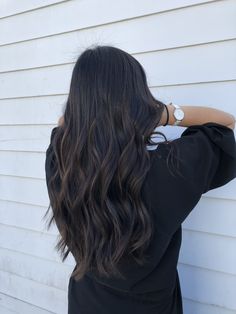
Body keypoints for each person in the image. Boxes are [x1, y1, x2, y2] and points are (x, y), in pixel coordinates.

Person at [44, 45, 236, 314]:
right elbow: (226, 124)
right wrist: (163, 113)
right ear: (138, 98)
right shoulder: (170, 169)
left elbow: (63, 123)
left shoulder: (60, 162)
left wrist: (87, 117)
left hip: (85, 303)